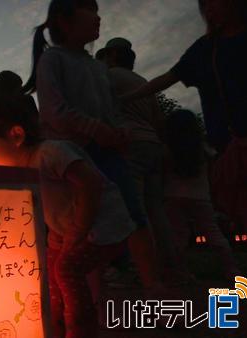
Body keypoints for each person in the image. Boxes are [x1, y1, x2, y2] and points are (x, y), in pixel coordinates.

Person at [22, 0, 164, 296]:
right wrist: (96, 129)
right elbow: (53, 111)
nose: (98, 18)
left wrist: (118, 130)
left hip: (108, 152)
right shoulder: (52, 60)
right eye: (90, 10)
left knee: (133, 215)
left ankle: (153, 285)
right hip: (74, 158)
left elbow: (110, 110)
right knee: (84, 227)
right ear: (65, 20)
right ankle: (95, 297)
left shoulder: (98, 68)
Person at [122, 0, 247, 283]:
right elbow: (168, 78)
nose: (211, 9)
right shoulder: (206, 50)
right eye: (206, 4)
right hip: (236, 152)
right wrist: (128, 98)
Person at [0, 96, 135, 338]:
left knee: (66, 269)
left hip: (105, 226)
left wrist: (78, 228)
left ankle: (81, 328)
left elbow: (90, 182)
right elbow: (57, 206)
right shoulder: (25, 172)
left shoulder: (51, 152)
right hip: (72, 230)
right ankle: (53, 324)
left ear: (16, 136)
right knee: (50, 269)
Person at [96, 38, 180, 283]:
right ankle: (171, 267)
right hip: (152, 144)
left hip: (130, 145)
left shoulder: (109, 77)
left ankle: (140, 269)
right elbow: (158, 119)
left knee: (133, 210)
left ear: (111, 56)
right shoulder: (143, 82)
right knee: (156, 209)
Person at [164, 109, 240, 281]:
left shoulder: (167, 150)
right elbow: (213, 172)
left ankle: (182, 272)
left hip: (172, 196)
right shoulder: (203, 149)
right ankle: (232, 270)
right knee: (214, 234)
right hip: (200, 197)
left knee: (178, 237)